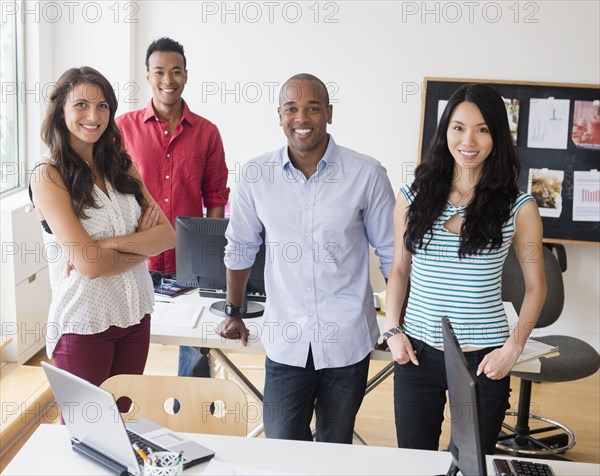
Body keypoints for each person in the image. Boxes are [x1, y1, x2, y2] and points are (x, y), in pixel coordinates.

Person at [217, 73, 395, 443]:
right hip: (287, 341)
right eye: (291, 109)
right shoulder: (255, 176)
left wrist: (393, 323)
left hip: (347, 341)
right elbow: (240, 246)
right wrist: (235, 311)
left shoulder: (367, 174)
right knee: (282, 448)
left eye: (313, 108)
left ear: (329, 113)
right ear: (278, 115)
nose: (302, 118)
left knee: (334, 450)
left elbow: (393, 254)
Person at [383, 84, 546, 454]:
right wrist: (393, 330)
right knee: (414, 458)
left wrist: (513, 347)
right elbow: (399, 268)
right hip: (416, 353)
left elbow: (536, 287)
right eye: (458, 127)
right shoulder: (412, 197)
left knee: (470, 461)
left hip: (484, 360)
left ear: (498, 136)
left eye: (482, 129)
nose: (468, 140)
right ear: (445, 133)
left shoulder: (519, 208)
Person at [29, 66, 176, 391]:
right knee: (87, 431)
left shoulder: (122, 166)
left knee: (125, 424)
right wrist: (139, 244)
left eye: (103, 106)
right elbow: (90, 265)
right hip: (84, 322)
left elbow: (167, 235)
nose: (93, 115)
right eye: (81, 104)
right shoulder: (49, 174)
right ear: (60, 110)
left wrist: (108, 244)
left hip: (135, 314)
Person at [116, 37, 230, 378]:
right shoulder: (122, 128)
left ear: (186, 75)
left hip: (187, 259)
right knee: (125, 341)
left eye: (176, 71)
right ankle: (124, 407)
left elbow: (215, 198)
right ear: (148, 76)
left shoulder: (207, 133)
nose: (169, 79)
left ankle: (194, 415)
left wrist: (209, 256)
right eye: (160, 72)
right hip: (137, 256)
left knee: (195, 348)